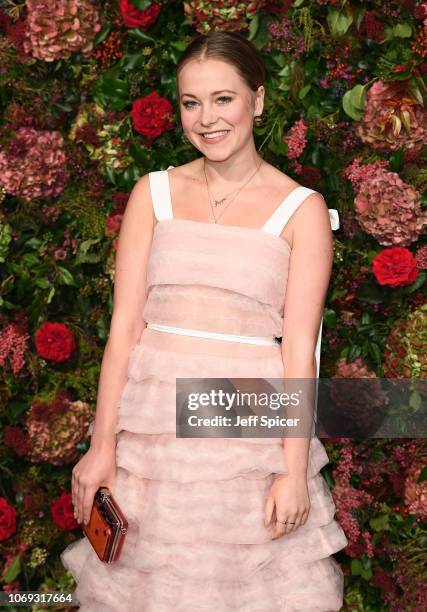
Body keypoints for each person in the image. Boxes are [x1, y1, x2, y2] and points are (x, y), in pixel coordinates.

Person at [61, 30, 348, 611]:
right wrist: (101, 445)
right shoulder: (154, 194)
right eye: (192, 103)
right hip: (151, 443)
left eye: (224, 99)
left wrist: (293, 470)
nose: (207, 118)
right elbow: (124, 332)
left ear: (258, 101)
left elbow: (299, 352)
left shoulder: (303, 209)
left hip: (246, 436)